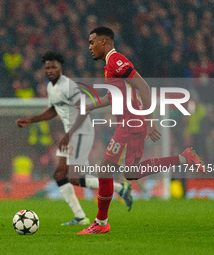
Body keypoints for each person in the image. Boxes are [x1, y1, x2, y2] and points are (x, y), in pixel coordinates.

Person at [77, 27, 205, 234]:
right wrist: (88, 106)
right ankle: (184, 158)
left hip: (131, 121)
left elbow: (143, 87)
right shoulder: (110, 65)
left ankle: (101, 223)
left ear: (104, 42)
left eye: (92, 43)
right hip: (130, 121)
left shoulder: (116, 60)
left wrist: (150, 120)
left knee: (104, 170)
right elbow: (113, 97)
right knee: (131, 173)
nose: (89, 47)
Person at [16, 51, 133, 226]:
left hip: (81, 133)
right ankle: (80, 216)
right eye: (47, 67)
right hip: (69, 135)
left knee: (73, 177)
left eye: (53, 67)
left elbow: (83, 109)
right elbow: (53, 110)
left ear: (60, 68)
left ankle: (119, 188)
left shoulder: (68, 86)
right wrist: (32, 120)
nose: (50, 70)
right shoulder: (51, 87)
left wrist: (68, 135)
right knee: (59, 174)